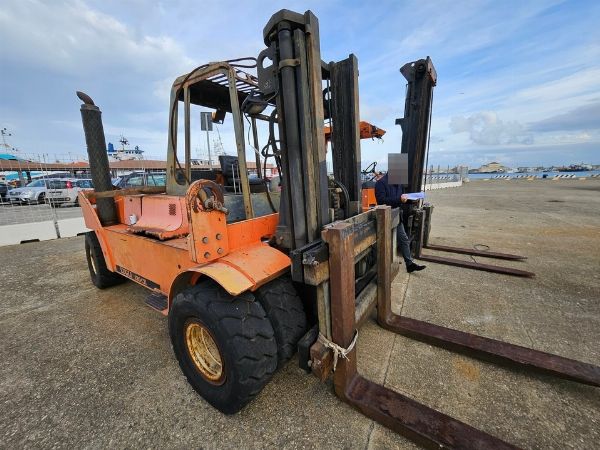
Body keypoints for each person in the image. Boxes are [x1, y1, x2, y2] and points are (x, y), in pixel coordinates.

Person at [375, 173, 426, 273]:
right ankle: (382, 268)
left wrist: (412, 201)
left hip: (396, 217)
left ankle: (409, 264)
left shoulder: (399, 184)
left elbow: (402, 199)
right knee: (385, 244)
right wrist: (399, 199)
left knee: (404, 239)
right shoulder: (381, 183)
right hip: (384, 218)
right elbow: (381, 201)